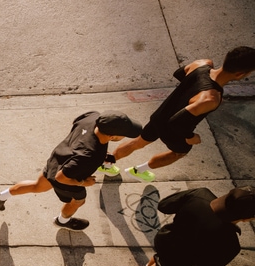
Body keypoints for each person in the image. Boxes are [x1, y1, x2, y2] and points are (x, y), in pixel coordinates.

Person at [99, 46, 255, 182]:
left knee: (138, 142)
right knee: (177, 153)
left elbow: (180, 73)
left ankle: (107, 162)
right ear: (240, 74)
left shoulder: (202, 64)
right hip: (173, 132)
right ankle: (137, 171)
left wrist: (188, 93)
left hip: (160, 115)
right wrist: (191, 137)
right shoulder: (210, 99)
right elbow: (176, 123)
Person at [0, 111, 143, 231]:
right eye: (124, 134)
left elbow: (76, 125)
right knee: (78, 201)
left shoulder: (93, 117)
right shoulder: (89, 155)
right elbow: (62, 178)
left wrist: (96, 152)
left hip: (58, 159)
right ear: (112, 136)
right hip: (67, 179)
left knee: (37, 186)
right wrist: (84, 182)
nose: (125, 136)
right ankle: (63, 221)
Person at [85, 186, 255, 266]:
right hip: (178, 260)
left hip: (165, 239)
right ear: (247, 218)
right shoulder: (230, 243)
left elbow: (164, 205)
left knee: (158, 261)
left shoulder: (201, 194)